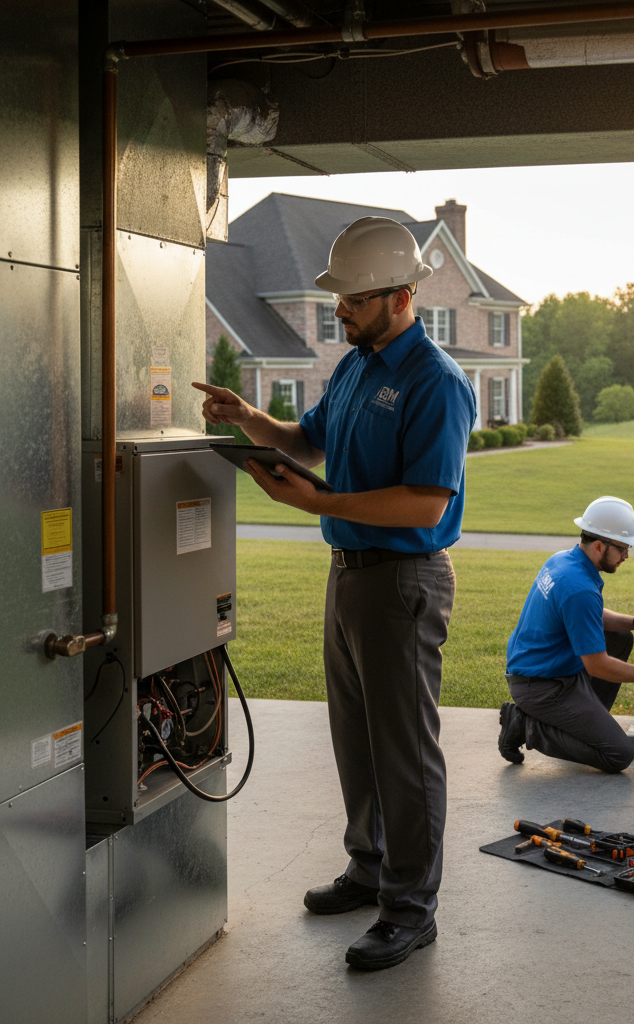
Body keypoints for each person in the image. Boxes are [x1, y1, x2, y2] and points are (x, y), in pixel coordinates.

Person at [192, 216, 476, 971]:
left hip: (403, 581)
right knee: (356, 741)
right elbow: (309, 440)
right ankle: (370, 866)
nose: (339, 309)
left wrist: (317, 506)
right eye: (340, 297)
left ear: (404, 295)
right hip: (349, 577)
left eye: (354, 298)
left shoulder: (436, 382)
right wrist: (248, 418)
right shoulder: (356, 364)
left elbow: (425, 504)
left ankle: (412, 909)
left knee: (406, 753)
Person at [499, 495, 634, 773]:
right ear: (598, 546)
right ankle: (525, 725)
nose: (627, 556)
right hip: (541, 687)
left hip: (544, 671)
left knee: (620, 638)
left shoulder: (563, 561)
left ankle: (582, 724)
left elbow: (585, 616)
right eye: (622, 549)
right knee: (617, 754)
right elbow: (597, 665)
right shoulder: (579, 588)